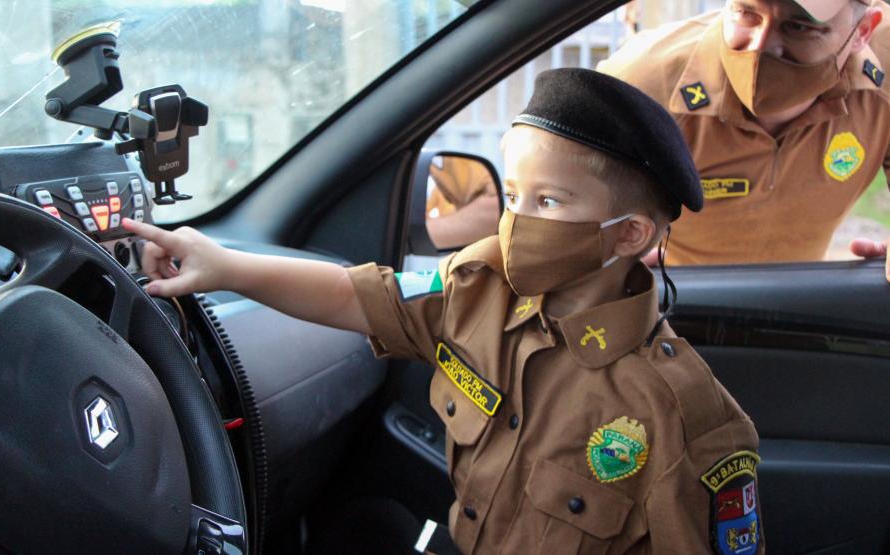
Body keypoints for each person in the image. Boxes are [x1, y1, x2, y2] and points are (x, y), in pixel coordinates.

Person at [122, 69, 762, 554]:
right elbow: (355, 295)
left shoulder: (683, 415)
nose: (517, 223)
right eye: (512, 195)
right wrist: (226, 266)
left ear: (629, 236)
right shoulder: (481, 287)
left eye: (549, 201)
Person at [599, 0, 890, 280]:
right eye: (746, 11)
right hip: (679, 299)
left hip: (805, 303)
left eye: (799, 26)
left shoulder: (886, 61)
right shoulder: (641, 85)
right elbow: (569, 216)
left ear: (863, 31)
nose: (759, 45)